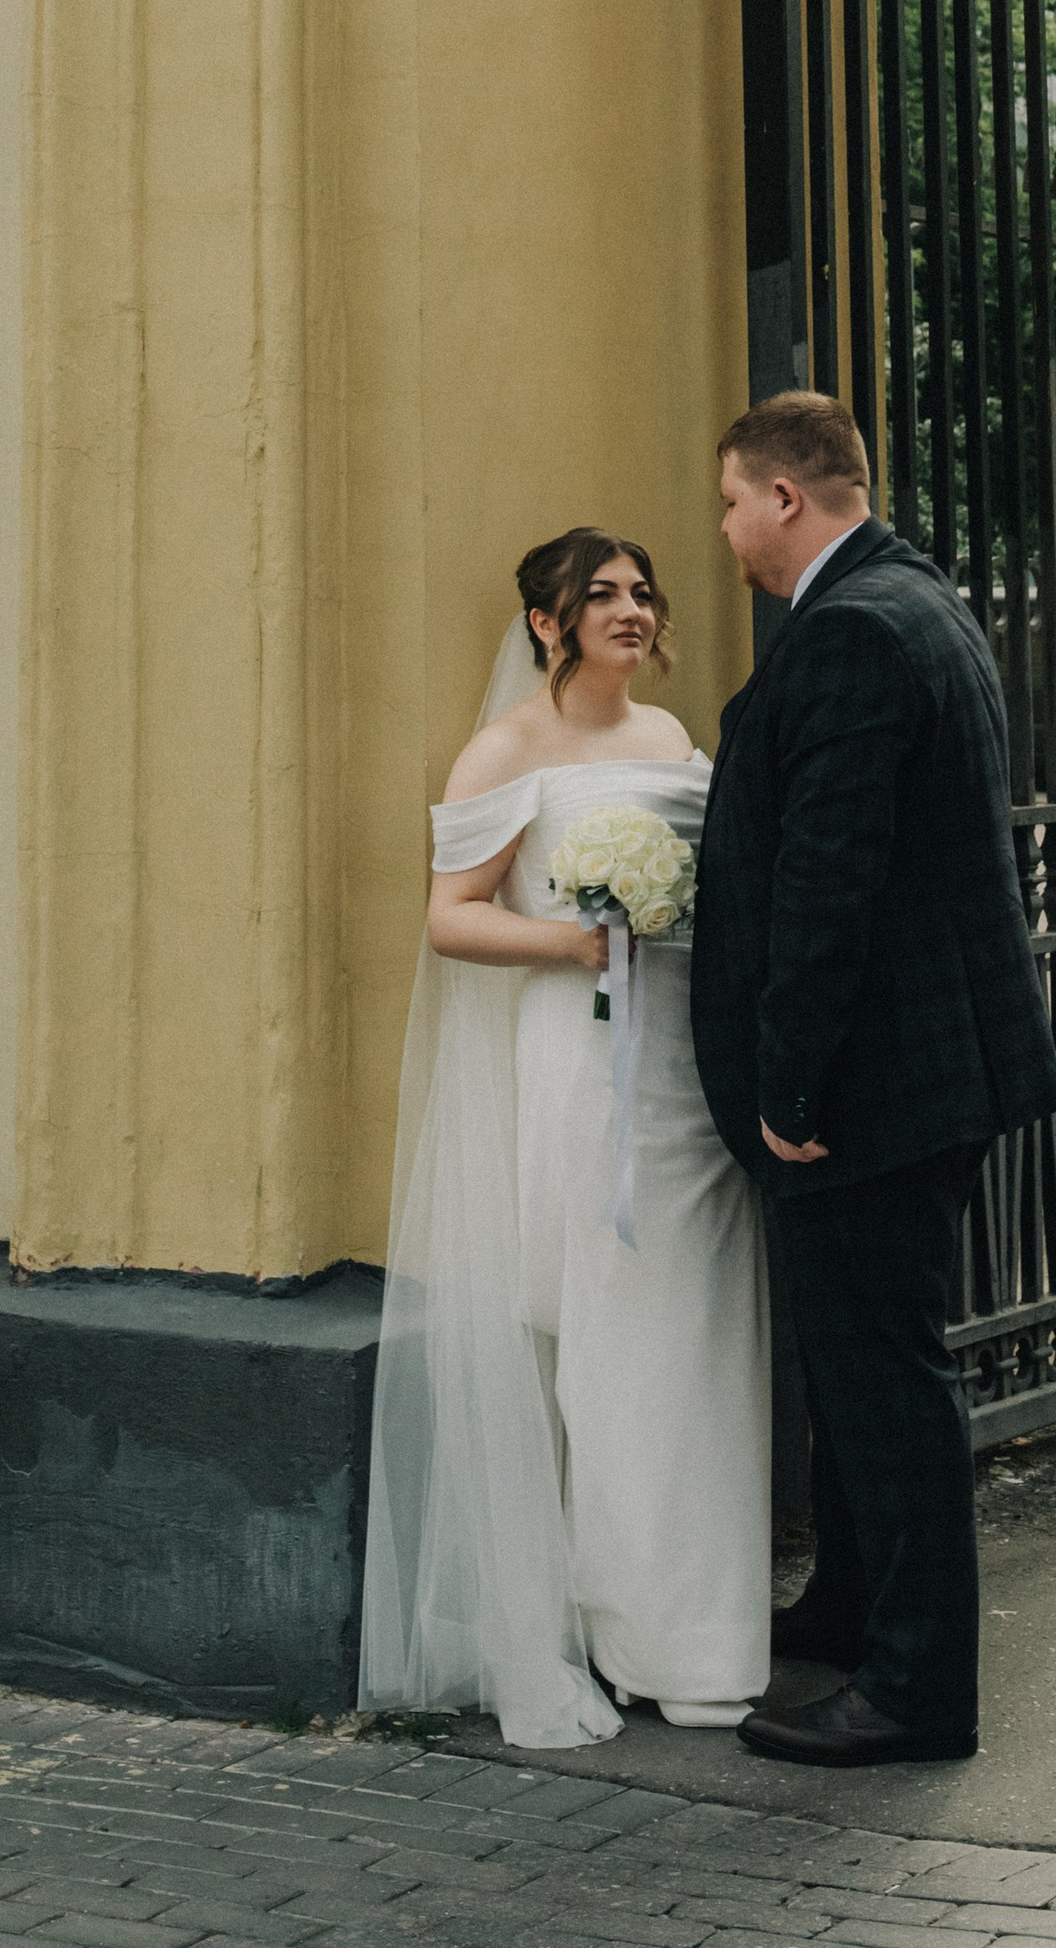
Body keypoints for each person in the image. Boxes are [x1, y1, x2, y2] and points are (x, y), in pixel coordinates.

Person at [689, 392, 1056, 1769]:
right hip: (926, 1068)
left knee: (888, 1381)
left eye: (731, 503)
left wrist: (789, 1091)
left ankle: (915, 1689)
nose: (725, 532)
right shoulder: (919, 599)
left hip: (870, 1087)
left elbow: (826, 889)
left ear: (786, 499)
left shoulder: (847, 634)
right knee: (855, 1373)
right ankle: (853, 1606)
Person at [358, 528, 771, 1747]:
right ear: (547, 622)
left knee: (701, 1337)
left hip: (686, 1069)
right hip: (585, 1063)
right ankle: (626, 1630)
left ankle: (705, 1632)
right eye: (602, 597)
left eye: (641, 593)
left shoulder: (672, 741)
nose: (631, 611)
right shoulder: (508, 749)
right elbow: (451, 921)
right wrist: (581, 938)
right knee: (614, 1343)